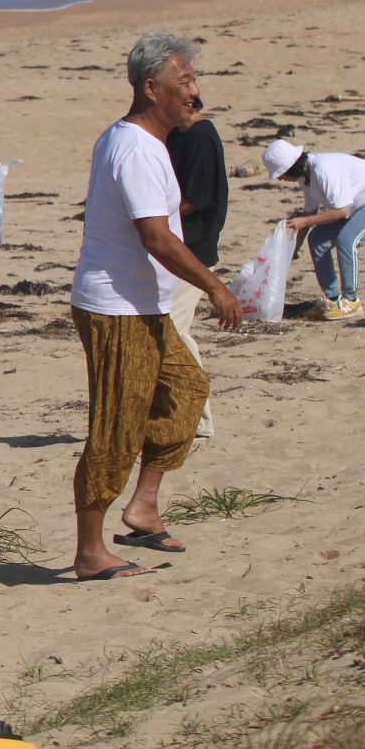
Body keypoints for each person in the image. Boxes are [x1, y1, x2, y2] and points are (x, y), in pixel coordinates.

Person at [69, 35, 241, 583]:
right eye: (184, 83)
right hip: (115, 307)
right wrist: (215, 286)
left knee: (188, 392)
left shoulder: (144, 140)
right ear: (151, 89)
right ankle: (90, 552)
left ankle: (142, 506)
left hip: (143, 304)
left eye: (193, 81)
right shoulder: (137, 148)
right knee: (114, 431)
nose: (195, 93)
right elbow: (157, 239)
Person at [166, 95, 226, 438]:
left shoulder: (201, 137)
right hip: (172, 247)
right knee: (165, 329)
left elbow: (195, 199)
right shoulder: (174, 135)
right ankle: (180, 411)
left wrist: (149, 219)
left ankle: (199, 417)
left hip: (193, 250)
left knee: (173, 330)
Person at [261, 137, 365, 321]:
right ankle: (332, 299)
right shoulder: (305, 176)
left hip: (356, 207)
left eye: (281, 173)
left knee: (346, 239)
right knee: (317, 240)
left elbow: (341, 211)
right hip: (354, 207)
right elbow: (310, 210)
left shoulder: (323, 170)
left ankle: (351, 300)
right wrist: (296, 246)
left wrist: (306, 221)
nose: (281, 179)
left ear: (291, 167)